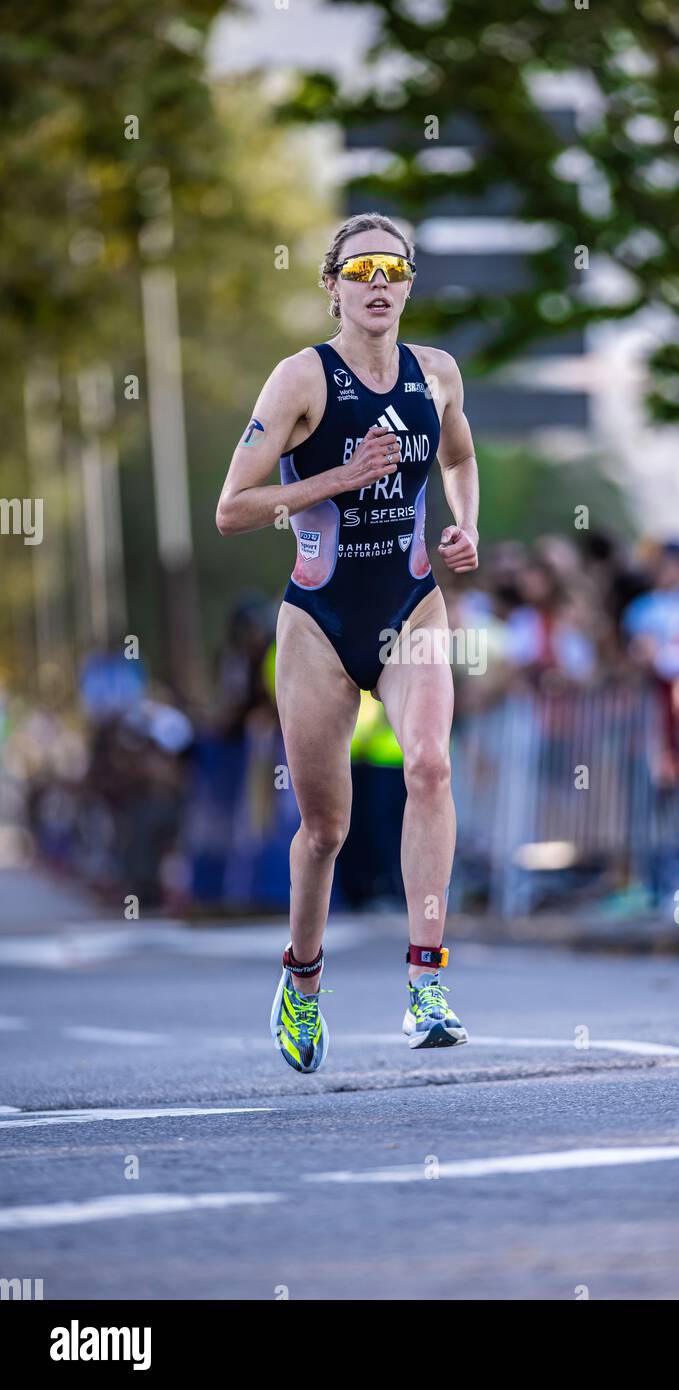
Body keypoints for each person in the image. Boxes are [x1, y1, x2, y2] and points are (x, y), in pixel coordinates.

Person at [216, 212, 480, 1072]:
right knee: (326, 829)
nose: (378, 282)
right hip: (319, 625)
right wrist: (339, 476)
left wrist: (465, 527)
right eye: (360, 268)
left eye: (393, 269)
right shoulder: (300, 379)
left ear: (409, 284)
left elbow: (459, 459)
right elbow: (232, 509)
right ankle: (301, 979)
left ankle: (427, 984)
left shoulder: (436, 374)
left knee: (430, 767)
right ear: (331, 284)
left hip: (410, 606)